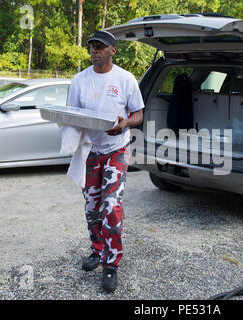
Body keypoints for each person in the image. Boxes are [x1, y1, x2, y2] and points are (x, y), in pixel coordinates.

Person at [66, 30, 144, 293]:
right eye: (91, 47)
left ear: (113, 50)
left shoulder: (125, 79)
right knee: (92, 207)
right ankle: (97, 250)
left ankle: (111, 264)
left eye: (100, 47)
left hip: (116, 151)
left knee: (110, 206)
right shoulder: (79, 81)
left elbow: (138, 114)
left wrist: (124, 124)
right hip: (89, 152)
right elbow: (72, 114)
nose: (94, 51)